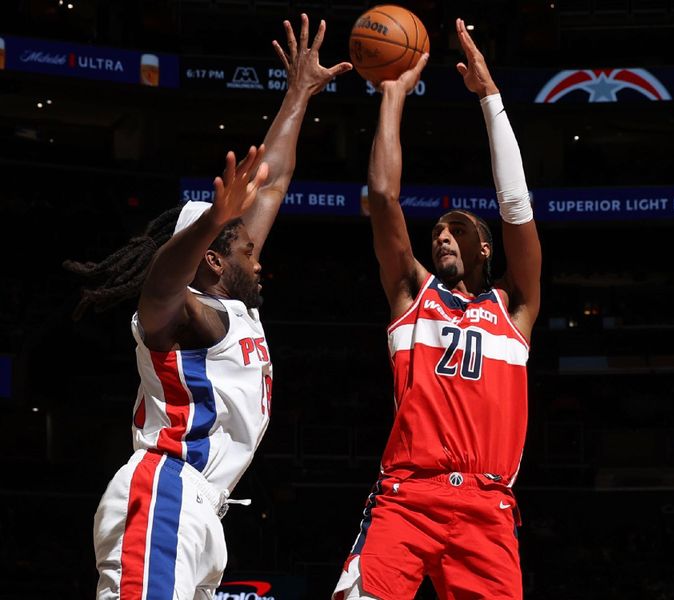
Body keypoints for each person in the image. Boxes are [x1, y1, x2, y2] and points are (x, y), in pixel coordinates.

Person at [65, 15, 351, 599]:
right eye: (245, 246)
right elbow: (160, 287)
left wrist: (298, 92)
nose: (260, 255)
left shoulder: (234, 302)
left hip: (202, 511)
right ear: (215, 260)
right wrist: (216, 221)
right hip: (164, 491)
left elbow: (271, 184)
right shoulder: (183, 315)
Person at [333, 19, 541, 600]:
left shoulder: (515, 305)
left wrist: (491, 99)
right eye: (437, 233)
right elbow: (383, 198)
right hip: (406, 496)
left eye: (457, 230)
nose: (441, 238)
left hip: (487, 504)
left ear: (484, 247)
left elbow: (517, 207)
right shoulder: (411, 295)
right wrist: (393, 98)